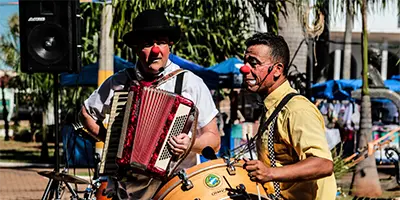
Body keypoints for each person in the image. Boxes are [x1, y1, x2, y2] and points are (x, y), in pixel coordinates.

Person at [79, 9, 220, 199]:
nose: (156, 50)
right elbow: (86, 113)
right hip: (127, 188)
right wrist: (112, 140)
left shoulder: (190, 83)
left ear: (170, 45)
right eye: (147, 44)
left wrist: (191, 143)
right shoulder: (119, 82)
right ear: (136, 48)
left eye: (161, 42)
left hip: (175, 187)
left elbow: (214, 140)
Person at [241, 32, 336, 200]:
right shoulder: (272, 107)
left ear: (277, 70)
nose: (245, 69)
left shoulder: (297, 110)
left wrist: (270, 173)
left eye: (254, 63)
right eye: (246, 61)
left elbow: (323, 164)